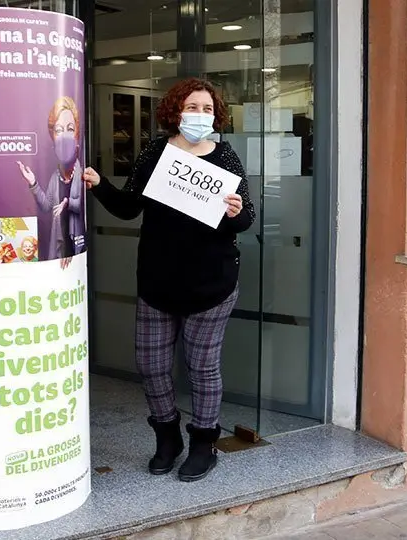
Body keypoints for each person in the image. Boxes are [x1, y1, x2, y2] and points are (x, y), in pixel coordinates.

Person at [83, 78, 255, 482]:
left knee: (203, 369)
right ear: (176, 111)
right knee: (152, 365)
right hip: (159, 281)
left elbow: (246, 218)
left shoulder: (225, 157)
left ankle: (203, 444)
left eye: (207, 109)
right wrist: (99, 186)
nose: (200, 115)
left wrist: (236, 212)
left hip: (212, 283)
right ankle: (167, 438)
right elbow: (129, 207)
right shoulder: (156, 152)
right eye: (192, 107)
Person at [17, 96, 86, 262]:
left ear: (77, 134)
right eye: (58, 130)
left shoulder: (82, 173)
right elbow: (46, 205)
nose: (64, 136)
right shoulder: (56, 177)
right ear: (52, 137)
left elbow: (82, 205)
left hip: (76, 243)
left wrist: (67, 203)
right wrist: (33, 183)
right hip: (58, 242)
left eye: (70, 128)